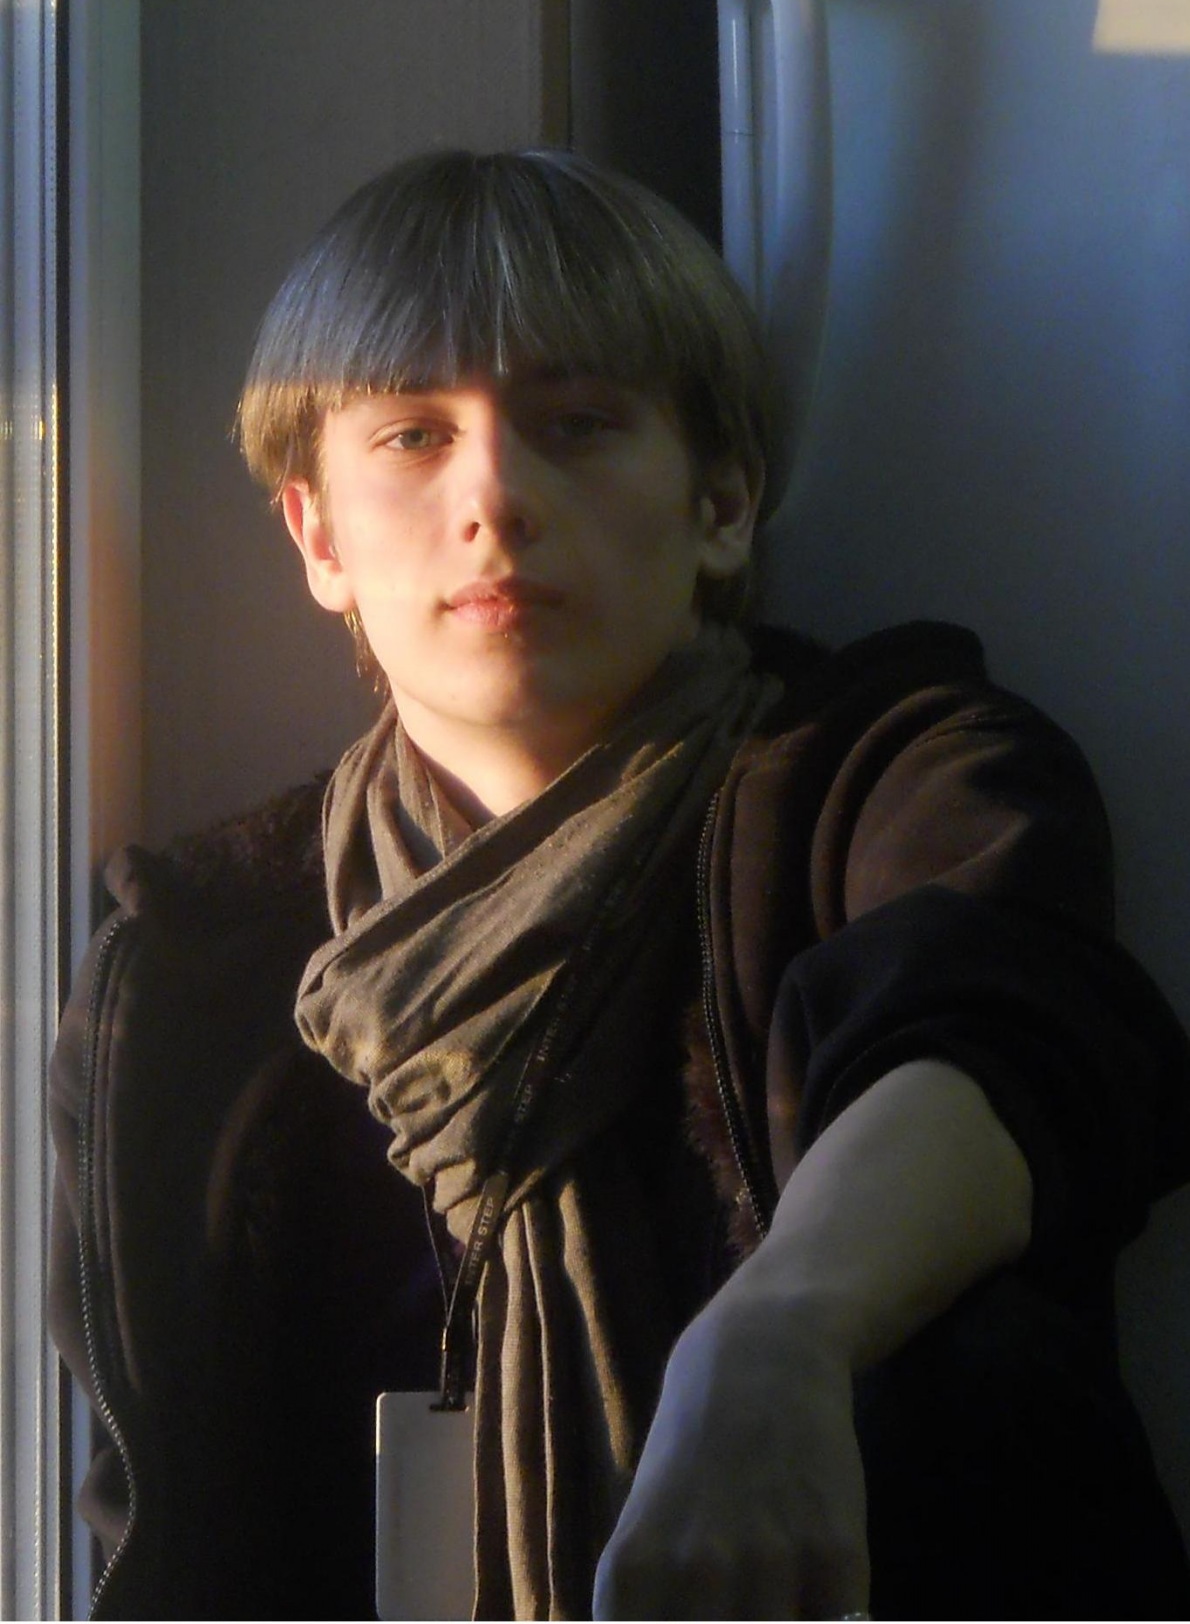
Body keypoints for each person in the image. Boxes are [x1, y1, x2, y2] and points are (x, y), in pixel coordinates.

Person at [51, 148, 1190, 1621]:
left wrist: (780, 1333)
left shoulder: (886, 777)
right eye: (412, 435)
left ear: (723, 501)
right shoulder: (192, 961)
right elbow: (166, 1527)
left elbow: (996, 1039)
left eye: (578, 424)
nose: (496, 495)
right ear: (318, 534)